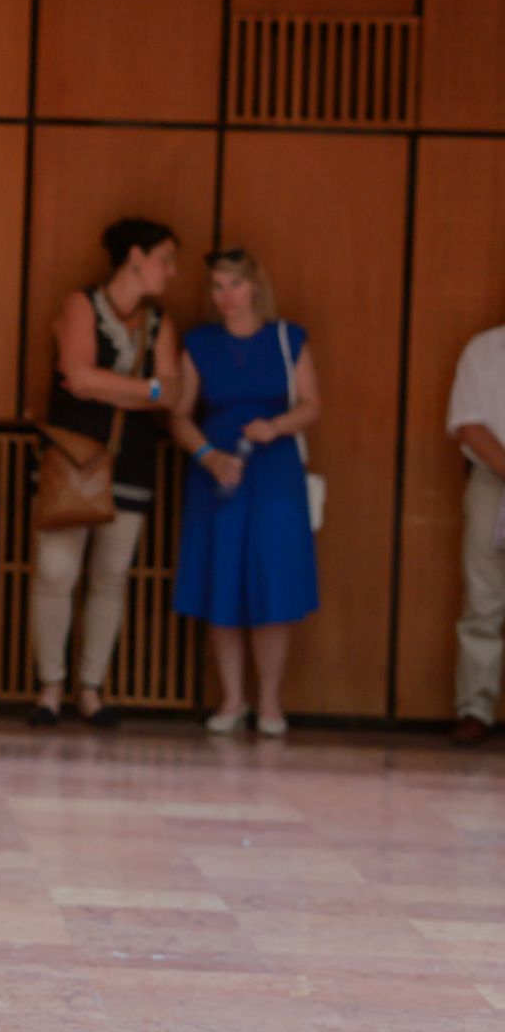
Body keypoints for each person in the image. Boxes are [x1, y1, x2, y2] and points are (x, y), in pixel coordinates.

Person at [29, 217, 181, 727]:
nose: (171, 272)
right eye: (165, 259)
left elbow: (172, 393)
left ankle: (91, 691)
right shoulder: (83, 304)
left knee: (111, 577)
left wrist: (112, 385)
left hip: (132, 462)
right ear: (135, 257)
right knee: (56, 572)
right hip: (73, 458)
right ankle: (50, 689)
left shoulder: (159, 321)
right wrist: (145, 390)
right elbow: (77, 376)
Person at [169, 249, 320, 736]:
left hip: (274, 473)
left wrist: (276, 426)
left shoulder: (287, 338)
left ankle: (270, 702)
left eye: (234, 284)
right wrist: (208, 456)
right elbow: (179, 415)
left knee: (273, 582)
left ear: (254, 286)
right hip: (218, 473)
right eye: (217, 286)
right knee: (223, 580)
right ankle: (232, 699)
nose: (226, 295)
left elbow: (311, 404)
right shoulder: (199, 343)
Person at [447, 321, 505, 746]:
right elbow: (468, 424)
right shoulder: (484, 349)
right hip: (493, 481)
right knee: (484, 599)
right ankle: (475, 709)